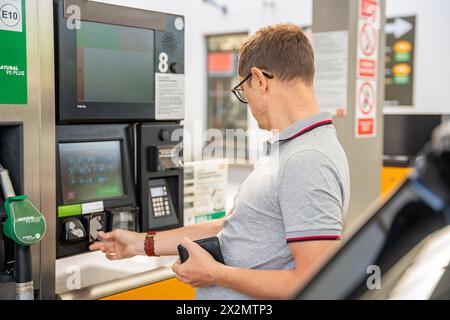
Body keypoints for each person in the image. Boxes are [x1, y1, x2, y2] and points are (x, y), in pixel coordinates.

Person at [90, 24, 350, 300]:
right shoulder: (291, 149)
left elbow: (313, 281)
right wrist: (140, 243)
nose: (246, 103)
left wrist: (216, 274)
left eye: (242, 91)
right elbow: (228, 227)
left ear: (259, 79)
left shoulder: (306, 159)